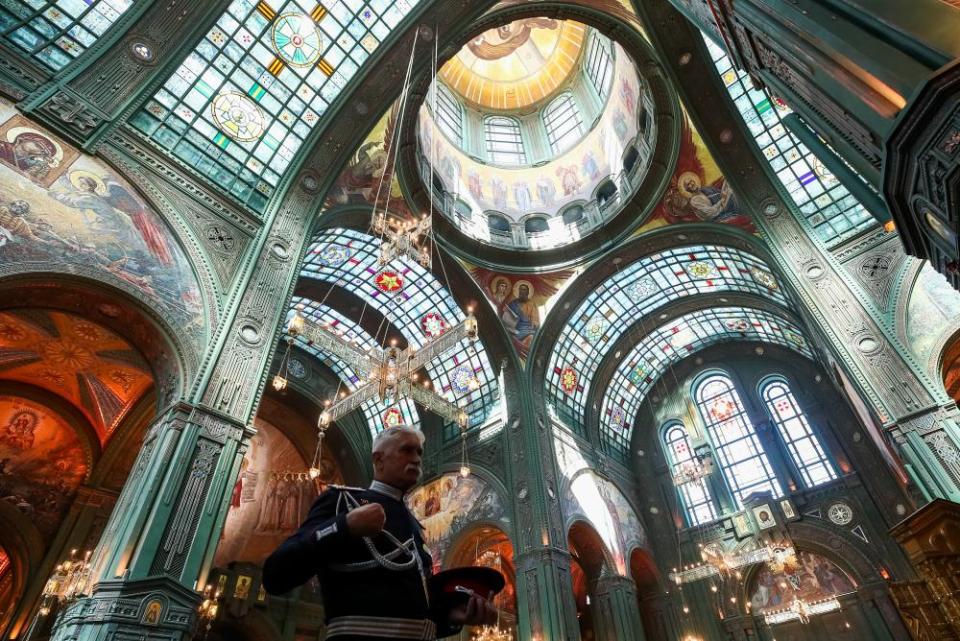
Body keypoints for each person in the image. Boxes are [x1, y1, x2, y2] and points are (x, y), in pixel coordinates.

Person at [263, 427, 497, 640]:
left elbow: (412, 611)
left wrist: (452, 615)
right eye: (406, 450)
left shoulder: (415, 525)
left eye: (419, 452)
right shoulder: (343, 501)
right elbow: (276, 574)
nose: (416, 459)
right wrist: (344, 526)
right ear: (378, 459)